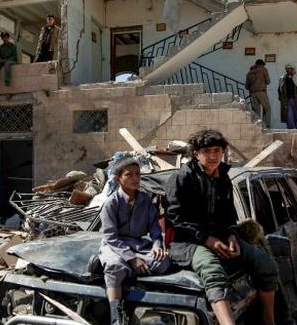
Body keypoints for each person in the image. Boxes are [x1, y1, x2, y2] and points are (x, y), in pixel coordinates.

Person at [165, 129, 279, 325]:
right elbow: (175, 218)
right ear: (196, 153)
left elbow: (228, 216)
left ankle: (269, 320)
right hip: (187, 242)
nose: (213, 156)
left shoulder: (224, 178)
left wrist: (232, 236)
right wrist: (207, 240)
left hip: (220, 239)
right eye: (207, 151)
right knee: (213, 271)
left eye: (217, 150)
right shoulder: (181, 178)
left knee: (267, 264)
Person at [99, 157, 170, 325]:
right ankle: (116, 315)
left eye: (137, 174)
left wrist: (157, 244)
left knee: (163, 261)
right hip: (115, 245)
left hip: (138, 244)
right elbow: (110, 236)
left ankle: (126, 272)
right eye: (129, 175)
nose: (135, 178)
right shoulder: (111, 203)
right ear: (118, 179)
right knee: (115, 266)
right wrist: (132, 259)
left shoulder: (145, 200)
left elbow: (154, 227)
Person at [277, 64, 297, 129]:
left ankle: (296, 127)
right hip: (287, 100)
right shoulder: (282, 78)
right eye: (287, 69)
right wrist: (280, 97)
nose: (289, 70)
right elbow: (279, 89)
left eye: (290, 69)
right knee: (289, 115)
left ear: (293, 69)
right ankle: (291, 128)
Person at [245, 59, 271, 128]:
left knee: (256, 110)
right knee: (267, 108)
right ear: (262, 64)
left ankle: (257, 125)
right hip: (261, 91)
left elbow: (246, 86)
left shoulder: (249, 73)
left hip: (253, 93)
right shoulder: (263, 69)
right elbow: (268, 81)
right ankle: (267, 125)